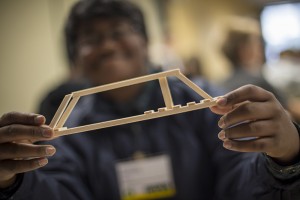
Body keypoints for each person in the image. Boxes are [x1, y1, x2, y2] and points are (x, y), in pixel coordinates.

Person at [0, 1, 300, 199]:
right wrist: (11, 183)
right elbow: (58, 192)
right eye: (90, 39)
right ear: (75, 59)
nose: (107, 45)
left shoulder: (204, 103)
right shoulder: (69, 128)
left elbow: (243, 177)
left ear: (145, 43)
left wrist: (285, 158)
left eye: (119, 32)